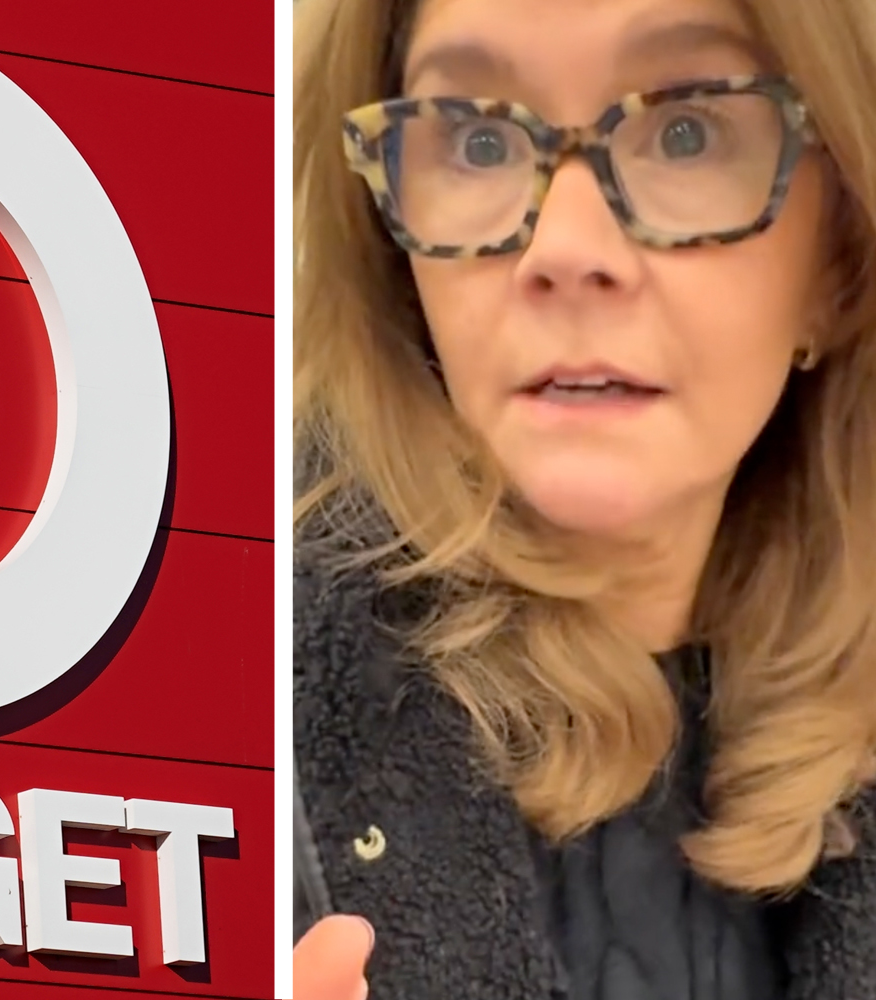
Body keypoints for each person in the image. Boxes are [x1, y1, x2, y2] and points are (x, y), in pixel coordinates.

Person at [290, 0, 876, 997]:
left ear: (838, 261)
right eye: (476, 141)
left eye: (684, 133)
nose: (564, 249)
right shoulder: (213, 732)